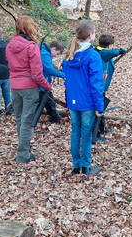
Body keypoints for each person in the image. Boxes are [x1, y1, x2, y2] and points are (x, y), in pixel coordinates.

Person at [6, 16, 51, 163]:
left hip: (14, 87)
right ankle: (23, 155)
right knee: (26, 121)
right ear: (30, 28)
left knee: (20, 119)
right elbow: (37, 73)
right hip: (29, 88)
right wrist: (47, 86)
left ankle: (23, 150)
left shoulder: (10, 45)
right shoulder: (31, 47)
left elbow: (10, 65)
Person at [62, 20, 104, 175]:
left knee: (75, 132)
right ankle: (85, 166)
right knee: (85, 134)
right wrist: (100, 107)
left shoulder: (69, 55)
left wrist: (67, 100)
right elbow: (96, 84)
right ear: (90, 35)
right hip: (87, 103)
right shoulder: (93, 56)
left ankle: (77, 165)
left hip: (74, 101)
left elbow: (67, 82)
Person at [93, 34, 126, 140]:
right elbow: (110, 52)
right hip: (98, 87)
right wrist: (120, 51)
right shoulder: (101, 53)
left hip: (100, 86)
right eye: (112, 46)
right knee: (98, 109)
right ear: (109, 46)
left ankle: (101, 128)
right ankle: (95, 133)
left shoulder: (100, 52)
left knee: (101, 107)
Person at [36, 39, 66, 133]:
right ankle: (33, 124)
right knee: (39, 104)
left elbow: (49, 65)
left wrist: (56, 67)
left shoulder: (45, 52)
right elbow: (49, 70)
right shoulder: (44, 54)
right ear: (53, 48)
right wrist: (64, 75)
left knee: (49, 99)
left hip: (43, 82)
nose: (57, 55)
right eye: (57, 53)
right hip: (40, 82)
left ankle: (55, 117)